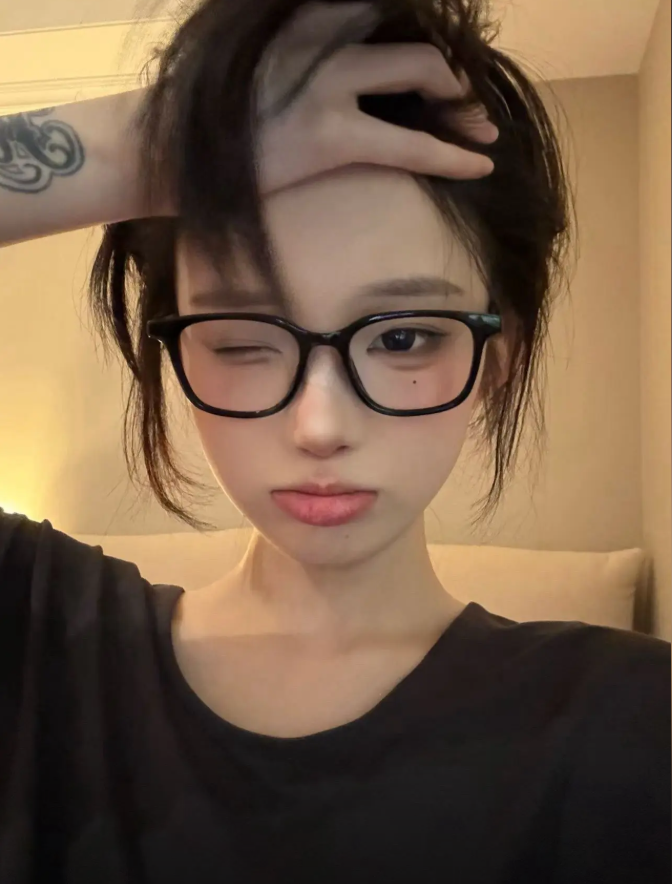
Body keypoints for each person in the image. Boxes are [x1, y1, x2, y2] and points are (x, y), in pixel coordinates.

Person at [0, 1, 669, 882]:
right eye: (242, 339)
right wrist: (146, 148)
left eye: (403, 338)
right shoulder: (40, 636)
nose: (319, 426)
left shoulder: (633, 722)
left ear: (497, 359)